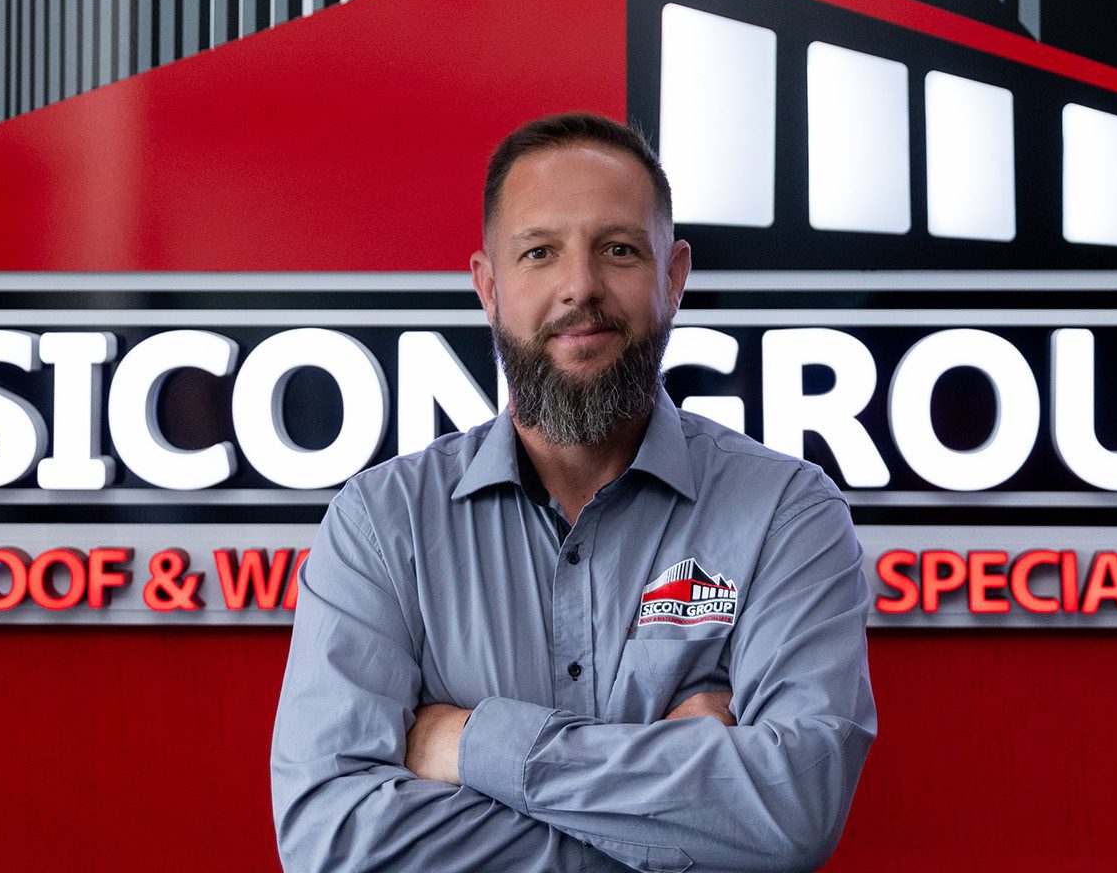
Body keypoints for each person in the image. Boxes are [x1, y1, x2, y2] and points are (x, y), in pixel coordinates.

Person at [270, 113, 875, 872]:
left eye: (618, 250)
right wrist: (680, 796)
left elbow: (791, 814)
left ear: (674, 276)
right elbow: (335, 843)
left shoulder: (786, 512)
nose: (579, 287)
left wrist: (469, 744)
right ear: (488, 286)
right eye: (539, 253)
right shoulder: (382, 524)